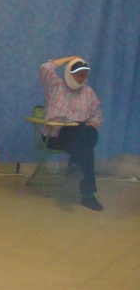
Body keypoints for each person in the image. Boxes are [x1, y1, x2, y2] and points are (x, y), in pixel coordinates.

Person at [40, 56, 104, 211]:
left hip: (79, 137)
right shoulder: (55, 86)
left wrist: (93, 123)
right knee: (84, 146)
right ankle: (87, 193)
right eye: (79, 74)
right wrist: (70, 58)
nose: (82, 78)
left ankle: (76, 168)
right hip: (55, 136)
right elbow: (45, 68)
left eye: (85, 75)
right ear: (69, 73)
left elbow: (97, 115)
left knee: (87, 133)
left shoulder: (89, 92)